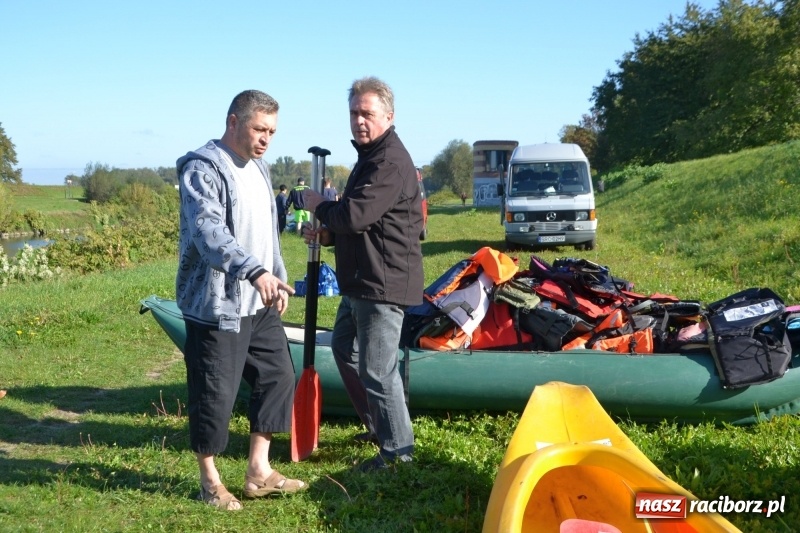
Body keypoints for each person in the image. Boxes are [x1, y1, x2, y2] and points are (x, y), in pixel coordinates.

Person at [175, 89, 306, 510]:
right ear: (233, 122)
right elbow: (209, 234)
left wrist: (275, 274)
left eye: (272, 131)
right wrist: (254, 271)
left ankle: (258, 471)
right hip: (216, 305)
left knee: (277, 375)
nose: (266, 139)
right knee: (215, 392)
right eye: (259, 129)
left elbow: (268, 231)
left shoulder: (260, 168)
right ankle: (209, 482)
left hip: (259, 300)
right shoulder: (202, 168)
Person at [302, 76, 424, 472]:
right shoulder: (369, 158)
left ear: (388, 116)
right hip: (361, 280)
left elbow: (354, 215)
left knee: (378, 369)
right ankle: (380, 425)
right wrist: (328, 234)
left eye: (367, 113)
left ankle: (398, 453)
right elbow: (366, 223)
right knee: (343, 346)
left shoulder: (388, 162)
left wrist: (319, 205)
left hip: (382, 283)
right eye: (354, 112)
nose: (359, 120)